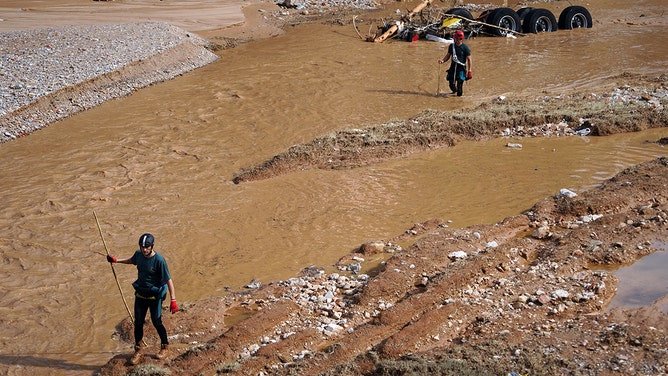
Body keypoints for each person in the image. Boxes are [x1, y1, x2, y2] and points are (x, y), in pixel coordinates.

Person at [106, 233, 178, 365]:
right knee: (138, 322)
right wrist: (116, 260)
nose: (144, 249)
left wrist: (173, 300)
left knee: (156, 321)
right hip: (141, 294)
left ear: (152, 246)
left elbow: (168, 279)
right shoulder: (138, 254)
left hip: (154, 296)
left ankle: (165, 347)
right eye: (142, 246)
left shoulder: (159, 260)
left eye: (147, 247)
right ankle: (138, 350)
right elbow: (131, 260)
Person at [438, 30, 472, 97]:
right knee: (451, 84)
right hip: (453, 68)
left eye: (459, 39)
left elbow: (469, 59)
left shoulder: (465, 48)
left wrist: (469, 70)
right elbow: (448, 55)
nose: (457, 40)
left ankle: (459, 99)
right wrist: (443, 61)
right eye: (456, 39)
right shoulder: (451, 46)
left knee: (460, 87)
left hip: (461, 69)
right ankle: (454, 94)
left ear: (461, 39)